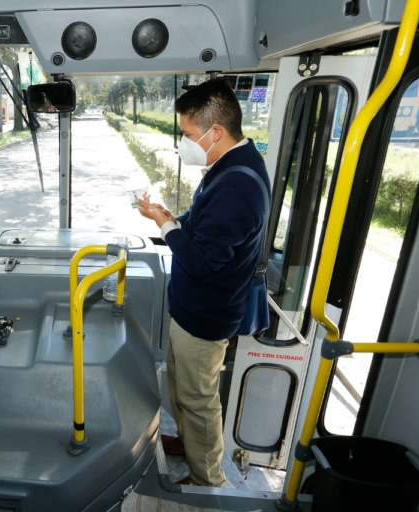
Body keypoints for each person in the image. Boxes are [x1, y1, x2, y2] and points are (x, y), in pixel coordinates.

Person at [136, 78, 270, 487]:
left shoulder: (238, 185)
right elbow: (205, 228)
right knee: (180, 388)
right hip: (191, 308)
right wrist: (172, 219)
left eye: (189, 135)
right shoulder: (228, 166)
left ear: (215, 132)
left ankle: (208, 477)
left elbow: (200, 261)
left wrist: (165, 226)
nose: (184, 143)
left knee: (198, 400)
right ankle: (188, 441)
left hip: (206, 315)